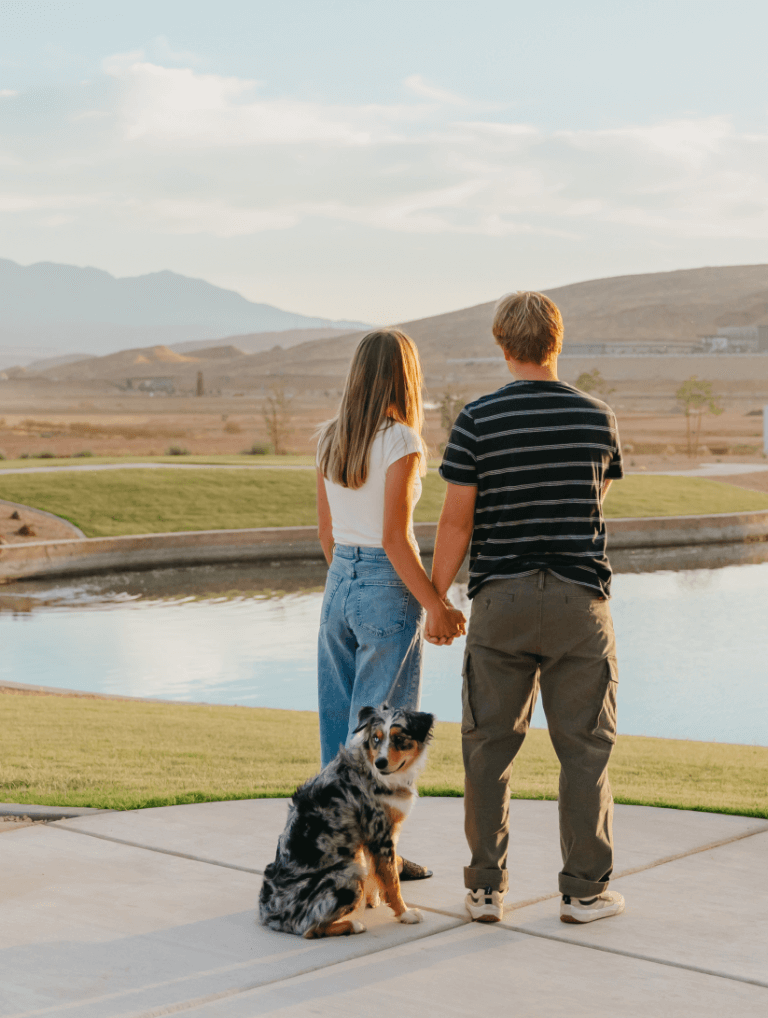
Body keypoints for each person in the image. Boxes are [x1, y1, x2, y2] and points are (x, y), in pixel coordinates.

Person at [428, 291, 625, 924]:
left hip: (501, 601)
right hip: (578, 602)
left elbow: (456, 524)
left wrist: (435, 600)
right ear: (557, 342)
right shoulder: (599, 418)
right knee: (585, 751)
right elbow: (593, 506)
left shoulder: (477, 419)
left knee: (488, 748)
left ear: (503, 344)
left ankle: (485, 890)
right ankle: (584, 893)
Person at [315, 327, 466, 778]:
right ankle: (374, 848)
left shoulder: (329, 438)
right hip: (385, 586)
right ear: (407, 377)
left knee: (340, 729)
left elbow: (327, 532)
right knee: (380, 739)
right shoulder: (402, 441)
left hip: (338, 583)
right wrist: (436, 607)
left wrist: (350, 581)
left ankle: (334, 844)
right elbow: (394, 538)